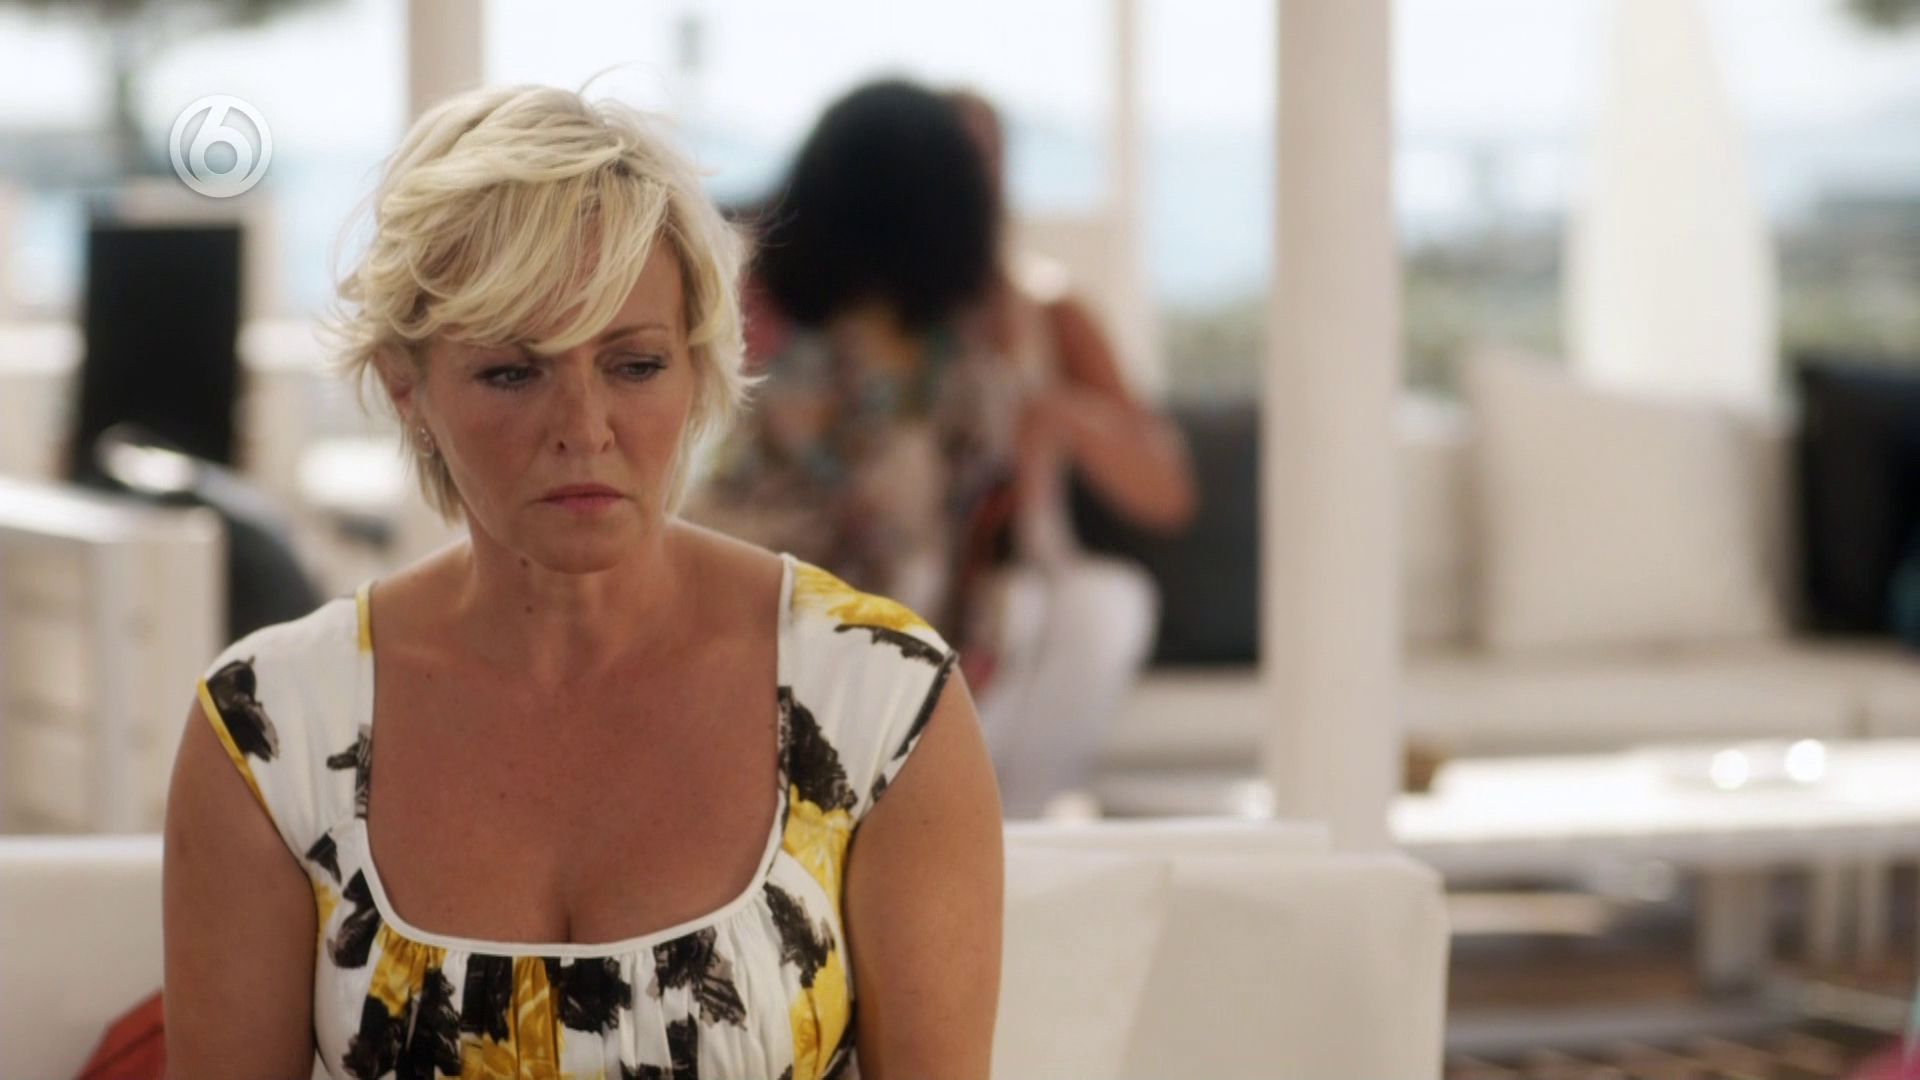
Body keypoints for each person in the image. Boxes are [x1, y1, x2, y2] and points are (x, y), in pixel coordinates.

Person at [161, 83, 1002, 1080]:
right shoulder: (272, 728)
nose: (584, 428)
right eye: (513, 373)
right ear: (406, 385)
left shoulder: (880, 698)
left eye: (634, 365)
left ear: (698, 366)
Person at [686, 81, 1195, 817]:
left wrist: (1055, 412)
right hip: (803, 605)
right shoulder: (760, 303)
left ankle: (972, 821)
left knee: (1087, 608)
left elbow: (1163, 491)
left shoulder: (1022, 322)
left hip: (920, 605)